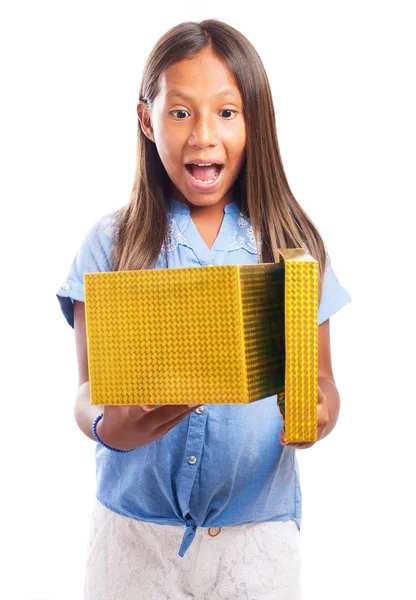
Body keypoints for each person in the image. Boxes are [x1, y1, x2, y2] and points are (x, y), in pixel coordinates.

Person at [56, 18, 351, 600]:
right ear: (146, 119)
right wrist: (108, 423)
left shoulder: (290, 244)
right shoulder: (111, 245)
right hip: (133, 541)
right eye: (180, 112)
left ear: (254, 122)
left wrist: (318, 415)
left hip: (256, 540)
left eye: (226, 112)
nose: (203, 136)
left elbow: (323, 382)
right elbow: (88, 389)